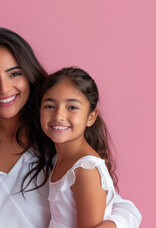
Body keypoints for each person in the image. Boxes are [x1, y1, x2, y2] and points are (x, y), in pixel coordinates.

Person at [0, 27, 141, 228]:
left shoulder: (56, 139)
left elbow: (124, 210)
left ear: (28, 75)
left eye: (14, 73)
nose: (4, 88)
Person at [40, 67, 139, 227]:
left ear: (91, 117)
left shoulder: (86, 170)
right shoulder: (58, 158)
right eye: (50, 106)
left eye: (72, 107)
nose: (58, 116)